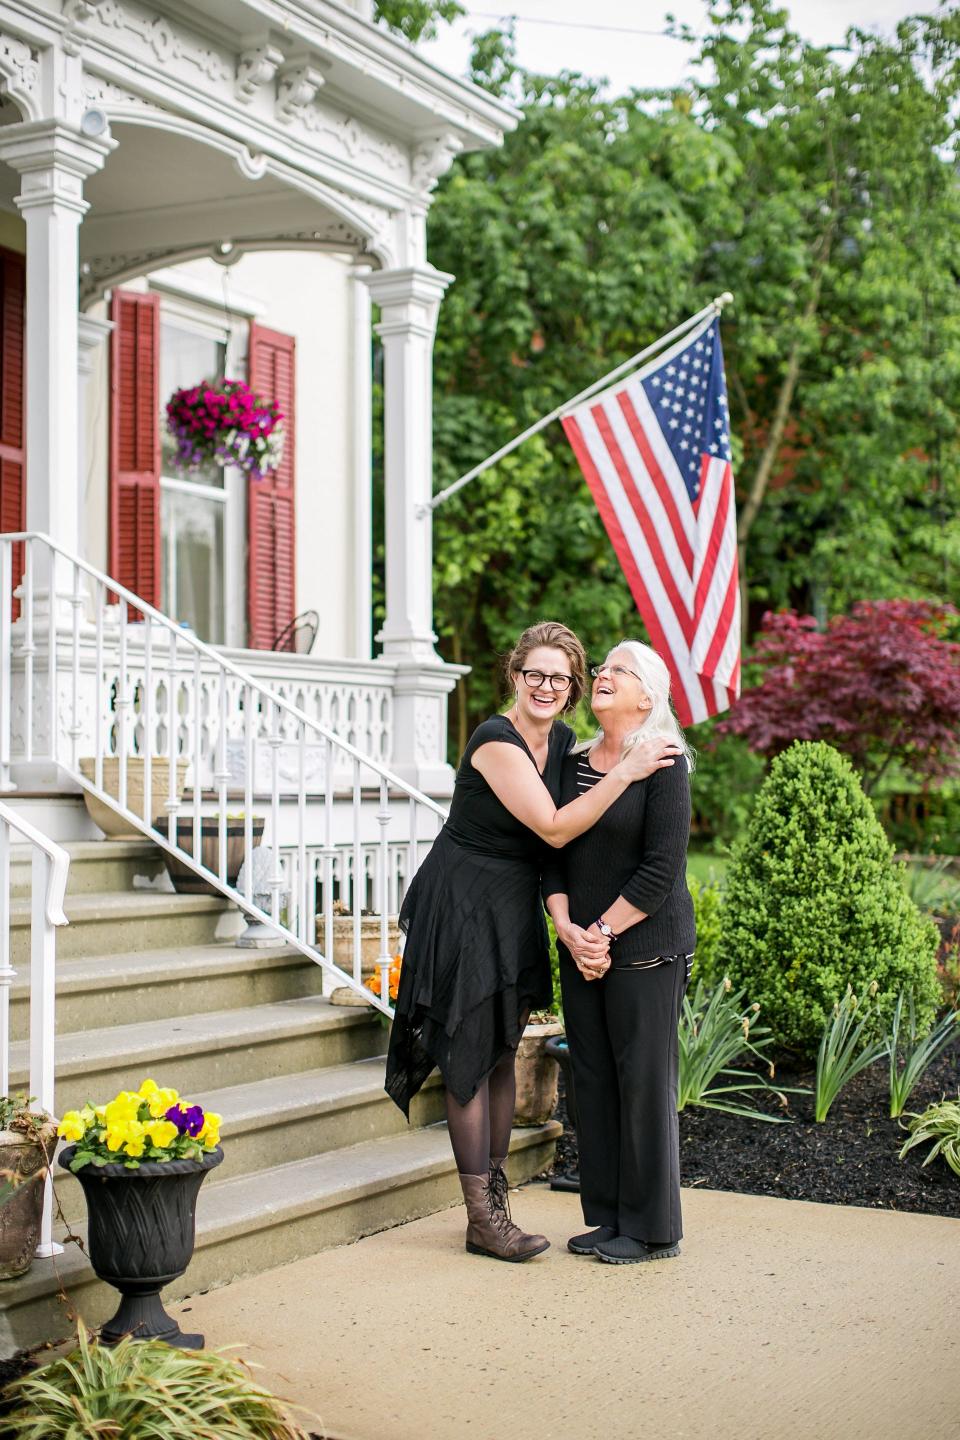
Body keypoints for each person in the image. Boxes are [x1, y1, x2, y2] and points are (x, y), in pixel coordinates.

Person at [385, 621, 681, 1263]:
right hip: (464, 902)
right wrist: (627, 771)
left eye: (560, 677)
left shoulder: (568, 745)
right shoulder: (496, 740)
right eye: (534, 674)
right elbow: (551, 828)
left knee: (498, 1051)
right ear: (514, 677)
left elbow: (585, 846)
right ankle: (485, 1218)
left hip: (513, 908)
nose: (547, 686)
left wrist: (578, 921)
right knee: (468, 1054)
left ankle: (493, 1216)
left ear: (572, 687)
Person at [543, 639, 695, 1265]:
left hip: (645, 949)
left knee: (642, 1086)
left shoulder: (665, 762)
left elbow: (661, 870)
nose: (602, 675)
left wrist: (600, 932)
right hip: (580, 948)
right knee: (593, 1084)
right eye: (601, 668)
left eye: (618, 670)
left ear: (647, 696)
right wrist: (567, 931)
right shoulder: (572, 762)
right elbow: (548, 853)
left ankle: (651, 1228)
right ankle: (605, 1217)